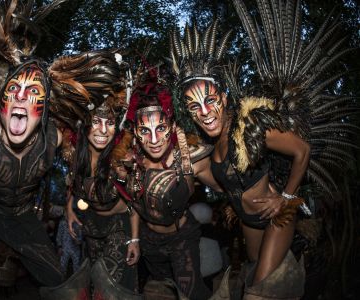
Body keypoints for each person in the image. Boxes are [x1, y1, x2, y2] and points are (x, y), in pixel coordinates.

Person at [0, 0, 120, 295]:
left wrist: (71, 206)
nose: (20, 98)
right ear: (1, 104)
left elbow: (81, 164)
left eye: (33, 93)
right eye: (13, 91)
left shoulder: (53, 139)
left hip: (22, 218)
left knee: (60, 283)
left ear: (43, 111)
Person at [169, 0, 356, 297]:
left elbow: (302, 150)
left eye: (210, 100)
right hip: (248, 222)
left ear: (225, 97)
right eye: (194, 106)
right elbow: (221, 183)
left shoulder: (251, 124)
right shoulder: (211, 143)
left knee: (258, 292)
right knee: (252, 275)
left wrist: (287, 197)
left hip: (277, 214)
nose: (204, 111)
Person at [119, 70, 215, 300]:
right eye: (145, 131)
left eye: (160, 128)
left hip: (180, 239)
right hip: (149, 242)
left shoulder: (190, 159)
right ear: (134, 131)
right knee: (158, 292)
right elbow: (132, 204)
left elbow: (227, 186)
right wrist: (134, 240)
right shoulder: (131, 162)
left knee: (191, 294)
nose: (153, 141)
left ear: (172, 126)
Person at [65, 93, 141, 297]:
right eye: (96, 122)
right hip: (91, 227)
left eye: (109, 123)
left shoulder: (120, 160)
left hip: (119, 227)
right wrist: (69, 211)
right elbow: (72, 184)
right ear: (84, 125)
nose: (103, 130)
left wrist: (134, 240)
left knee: (109, 289)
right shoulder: (75, 156)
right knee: (92, 286)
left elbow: (134, 203)